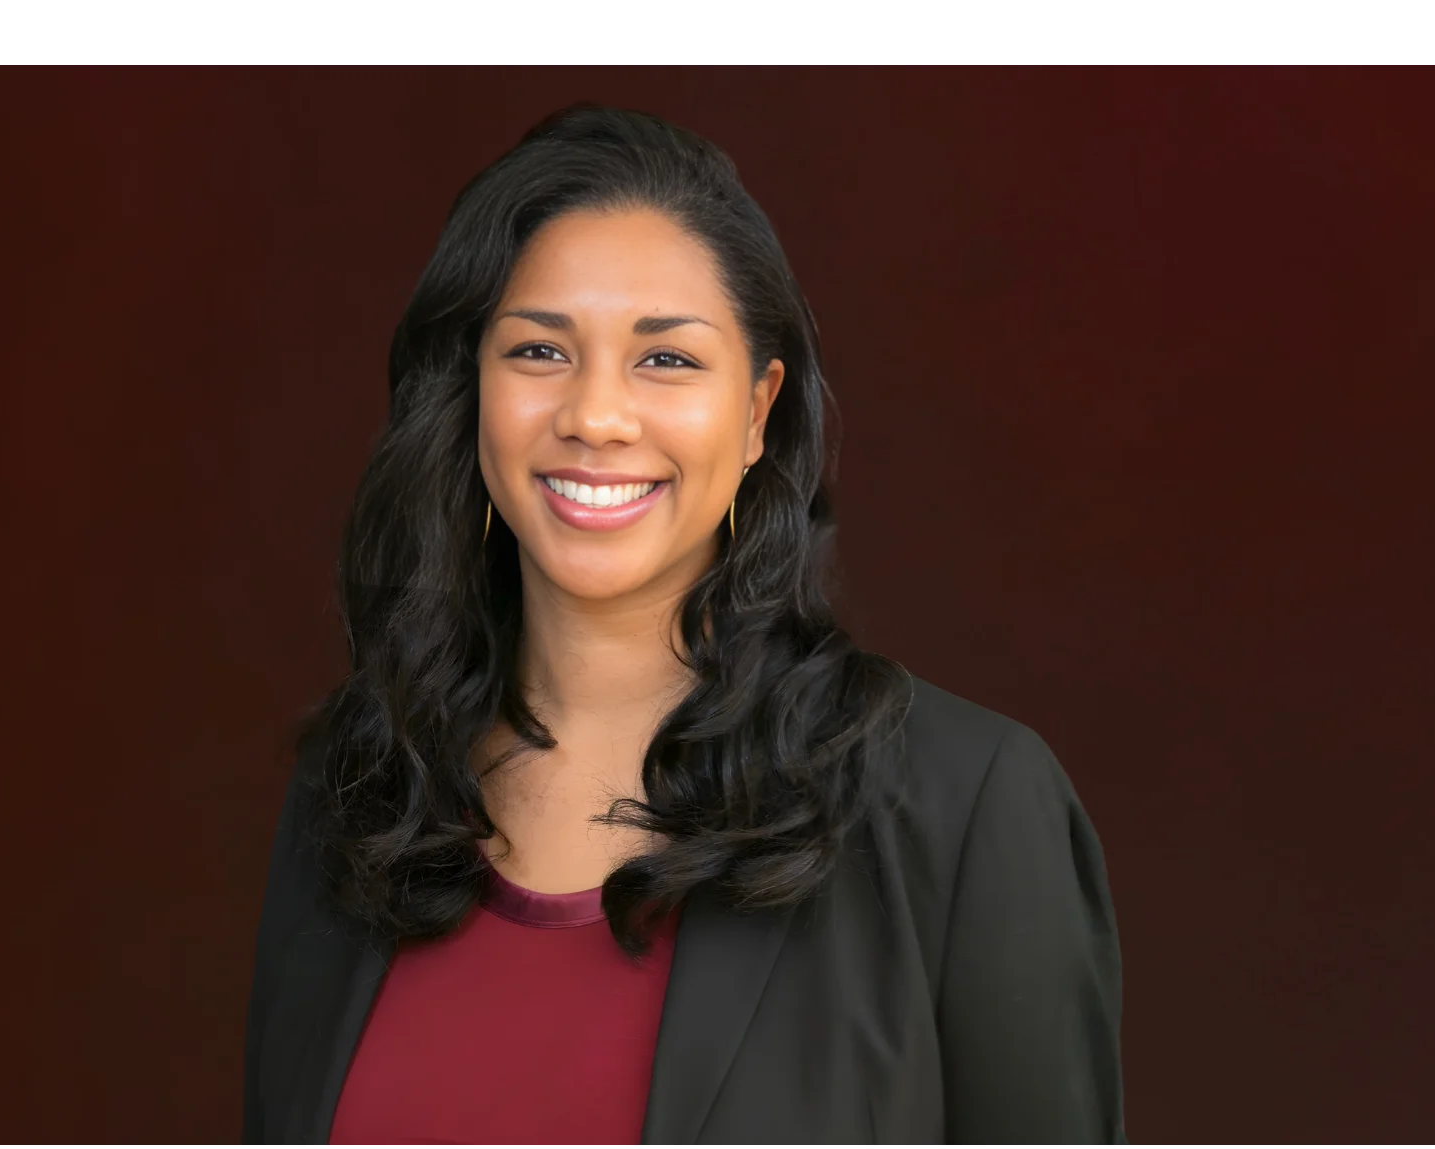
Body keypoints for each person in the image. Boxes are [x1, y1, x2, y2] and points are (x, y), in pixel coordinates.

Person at [243, 104, 1128, 1149]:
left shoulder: (961, 808)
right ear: (469, 391)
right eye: (538, 350)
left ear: (758, 412)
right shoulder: (358, 793)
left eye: (666, 360)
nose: (596, 415)